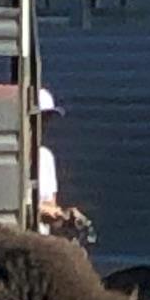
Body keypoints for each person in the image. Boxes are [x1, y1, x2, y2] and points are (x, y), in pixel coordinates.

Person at [31, 86, 92, 240]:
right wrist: (39, 211)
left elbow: (50, 206)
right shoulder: (8, 159)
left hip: (39, 242)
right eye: (42, 118)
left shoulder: (45, 157)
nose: (45, 125)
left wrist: (65, 217)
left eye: (48, 119)